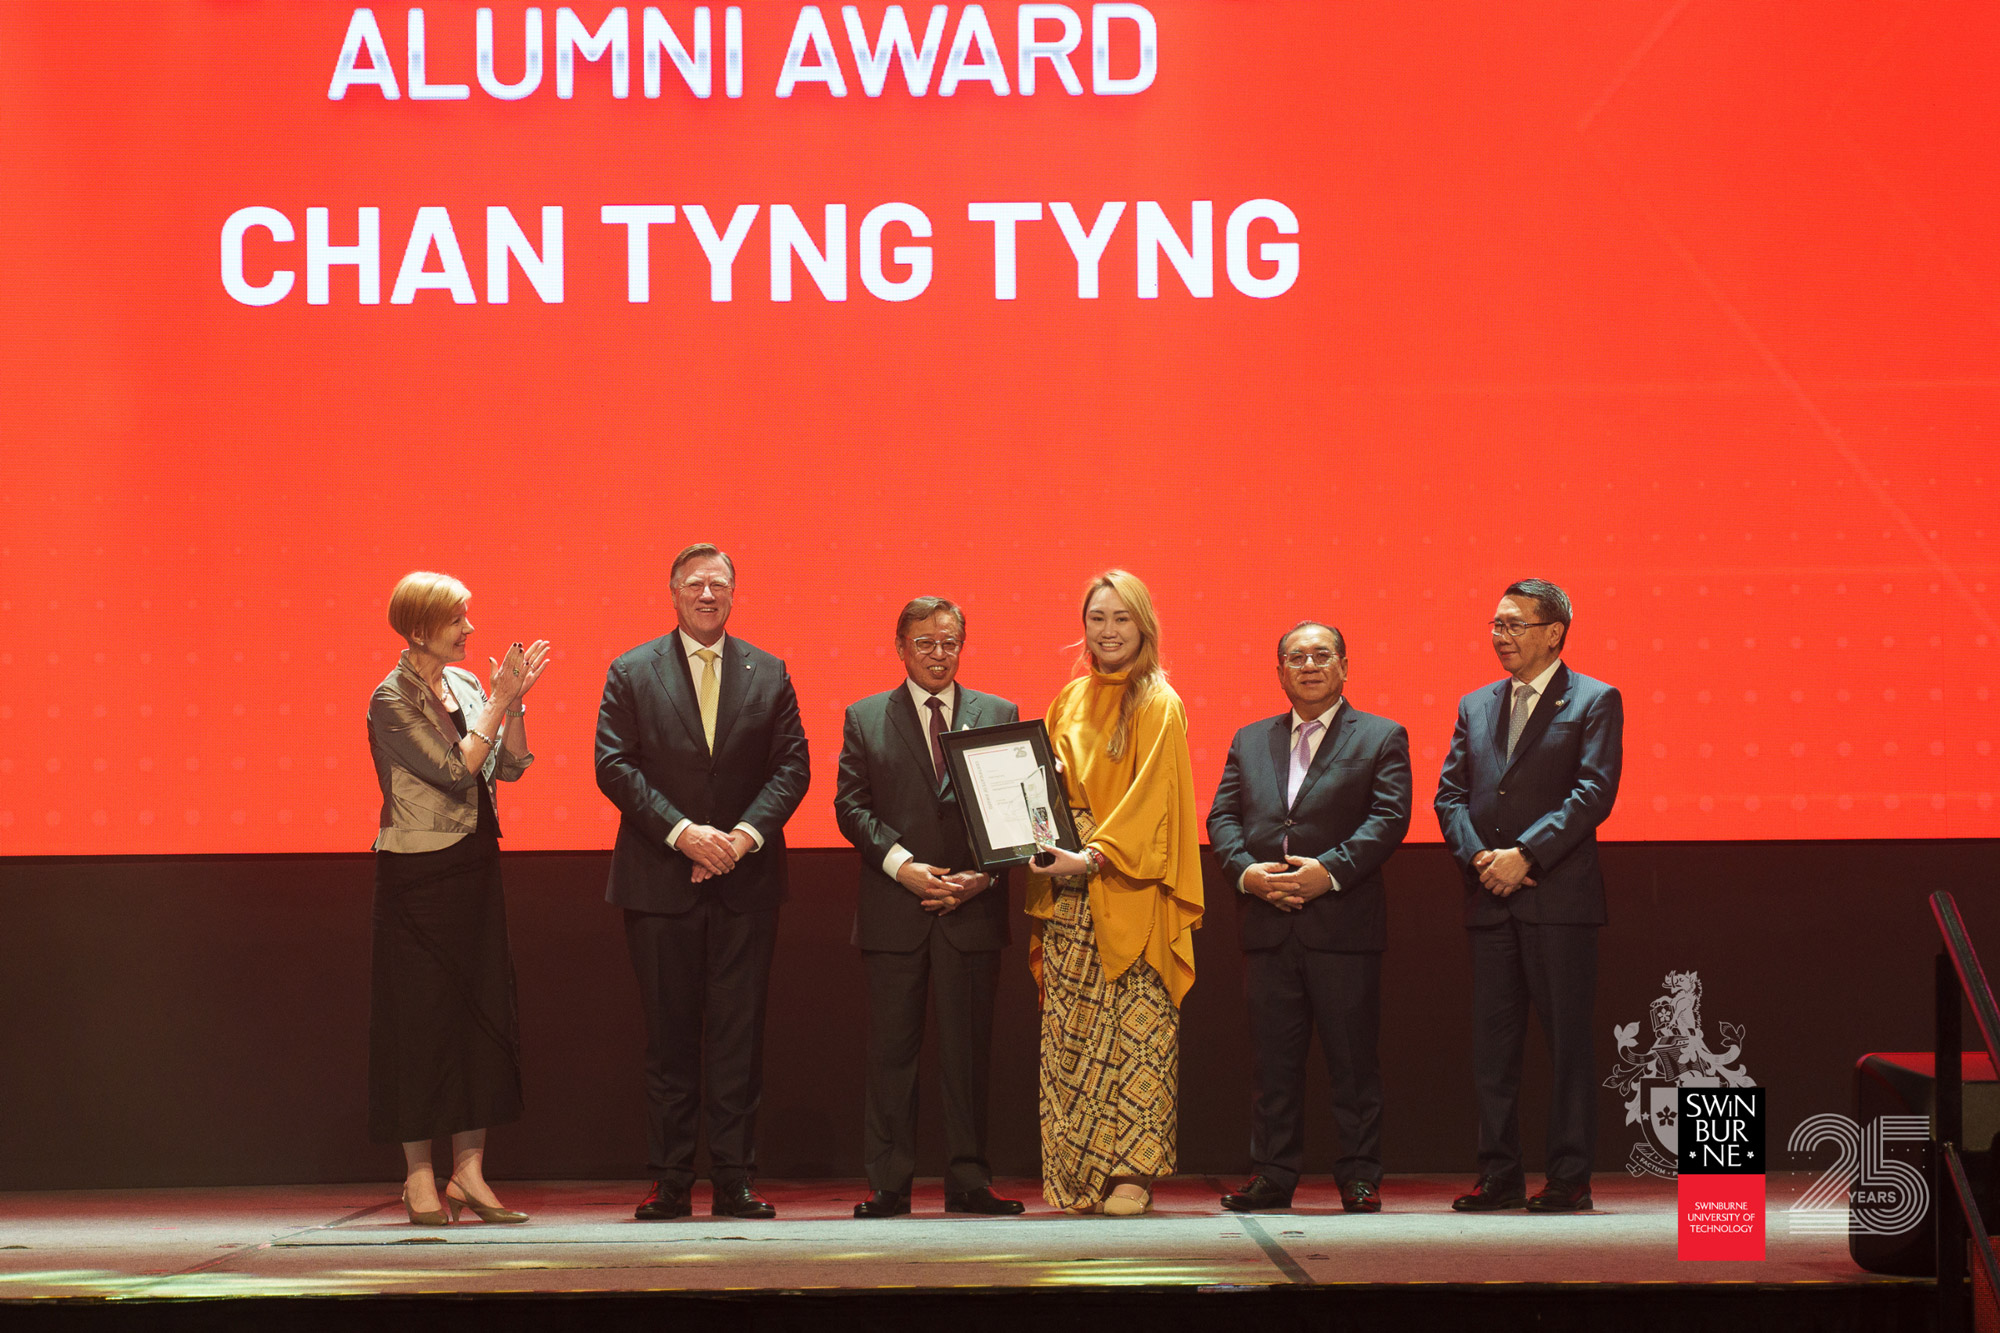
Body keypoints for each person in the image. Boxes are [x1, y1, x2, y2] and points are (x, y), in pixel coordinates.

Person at [596, 544, 810, 1221]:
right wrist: (684, 832)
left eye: (720, 584)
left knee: (739, 1037)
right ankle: (670, 1180)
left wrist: (741, 838)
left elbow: (792, 768)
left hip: (746, 884)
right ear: (673, 591)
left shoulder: (769, 671)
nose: (709, 594)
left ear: (734, 593)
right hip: (660, 881)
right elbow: (614, 765)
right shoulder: (632, 670)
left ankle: (734, 1179)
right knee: (670, 1036)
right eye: (696, 584)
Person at [366, 570, 550, 1226]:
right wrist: (499, 703)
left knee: (481, 1011)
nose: (470, 630)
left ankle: (469, 1172)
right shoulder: (390, 699)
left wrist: (515, 701)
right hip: (418, 874)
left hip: (476, 863)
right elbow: (451, 771)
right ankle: (420, 1175)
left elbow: (510, 765)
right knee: (419, 1021)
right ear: (420, 629)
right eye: (457, 620)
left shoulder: (470, 685)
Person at [1207, 621, 1411, 1213]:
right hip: (1268, 924)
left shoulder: (1380, 736)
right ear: (1279, 672)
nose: (1310, 665)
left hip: (1343, 923)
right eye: (1296, 657)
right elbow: (1223, 817)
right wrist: (1249, 873)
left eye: (1323, 655)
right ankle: (1272, 1174)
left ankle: (1360, 1174)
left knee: (1352, 1060)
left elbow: (1388, 817)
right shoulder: (1250, 739)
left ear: (1345, 666)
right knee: (1272, 1062)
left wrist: (1327, 871)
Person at [1435, 578, 1623, 1213]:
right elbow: (1449, 796)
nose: (1501, 636)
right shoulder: (1476, 703)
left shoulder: (1594, 699)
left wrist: (1527, 855)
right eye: (1495, 624)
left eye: (1515, 624)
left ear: (1554, 633)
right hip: (1489, 896)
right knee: (1493, 1049)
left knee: (1567, 1043)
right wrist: (1481, 858)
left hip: (1558, 899)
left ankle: (1569, 1177)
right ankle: (1499, 1174)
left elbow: (1593, 793)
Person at [833, 597, 1025, 1218]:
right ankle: (889, 1182)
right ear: (901, 648)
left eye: (950, 643)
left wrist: (983, 878)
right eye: (926, 644)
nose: (939, 655)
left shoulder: (998, 713)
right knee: (892, 1053)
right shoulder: (866, 717)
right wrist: (905, 868)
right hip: (897, 907)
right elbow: (851, 809)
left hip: (973, 907)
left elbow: (1016, 812)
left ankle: (969, 1179)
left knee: (968, 1052)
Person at [1026, 570, 1204, 1216]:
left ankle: (1132, 1170)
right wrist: (1031, 837)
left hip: (1129, 888)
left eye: (1121, 618)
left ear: (1144, 625)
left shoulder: (1159, 701)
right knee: (1074, 1036)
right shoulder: (1068, 698)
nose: (1108, 631)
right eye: (1097, 618)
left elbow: (1153, 801)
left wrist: (1093, 854)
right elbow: (1037, 786)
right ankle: (1078, 1169)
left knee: (1135, 1038)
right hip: (1068, 897)